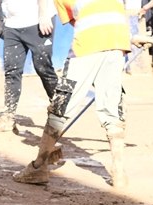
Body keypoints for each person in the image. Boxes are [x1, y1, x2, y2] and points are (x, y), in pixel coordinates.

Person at [10, 0, 130, 188]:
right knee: (112, 105)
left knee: (60, 105)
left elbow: (77, 21)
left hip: (89, 43)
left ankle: (39, 167)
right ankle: (119, 173)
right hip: (117, 39)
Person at [0, 0, 58, 132]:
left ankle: (58, 109)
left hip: (38, 20)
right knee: (11, 70)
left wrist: (43, 15)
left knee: (43, 67)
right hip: (11, 25)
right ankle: (9, 115)